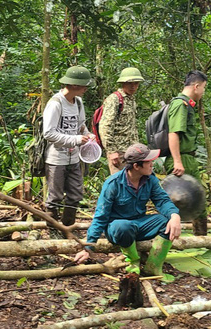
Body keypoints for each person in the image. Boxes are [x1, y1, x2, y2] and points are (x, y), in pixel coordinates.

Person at [73, 143, 182, 282]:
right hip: (117, 228)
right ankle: (133, 263)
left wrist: (175, 215)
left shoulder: (150, 179)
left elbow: (162, 200)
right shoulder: (113, 184)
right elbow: (100, 216)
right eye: (149, 162)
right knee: (123, 226)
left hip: (139, 224)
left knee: (168, 222)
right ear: (136, 166)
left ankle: (153, 266)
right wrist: (88, 248)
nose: (152, 164)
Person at [42, 66, 96, 226]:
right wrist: (76, 139)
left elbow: (81, 125)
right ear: (74, 85)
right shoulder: (55, 104)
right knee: (55, 197)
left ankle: (67, 228)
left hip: (74, 158)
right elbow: (48, 134)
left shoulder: (78, 102)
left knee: (76, 195)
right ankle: (53, 230)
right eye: (84, 85)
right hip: (56, 159)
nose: (86, 89)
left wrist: (88, 134)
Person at [164, 70, 208, 235]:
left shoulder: (186, 104)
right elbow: (173, 133)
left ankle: (201, 236)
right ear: (196, 86)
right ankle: (166, 238)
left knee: (194, 198)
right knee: (179, 198)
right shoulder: (180, 105)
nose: (203, 92)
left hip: (187, 157)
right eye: (203, 87)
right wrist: (177, 161)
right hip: (182, 158)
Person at [99, 67, 144, 174]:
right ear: (123, 83)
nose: (133, 86)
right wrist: (112, 151)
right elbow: (105, 126)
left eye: (136, 83)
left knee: (132, 185)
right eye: (129, 83)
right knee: (119, 185)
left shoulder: (131, 99)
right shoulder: (114, 99)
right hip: (119, 153)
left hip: (132, 151)